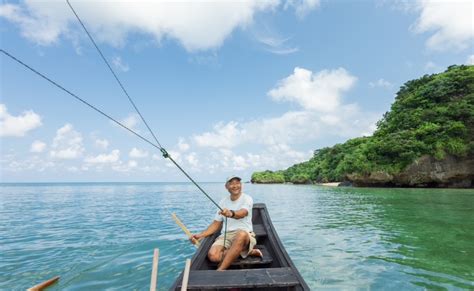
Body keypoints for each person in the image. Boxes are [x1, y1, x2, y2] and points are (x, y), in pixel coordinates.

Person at [191, 175, 262, 271]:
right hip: (226, 235)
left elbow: (243, 213)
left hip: (244, 234)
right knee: (213, 256)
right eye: (231, 183)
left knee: (241, 234)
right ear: (226, 186)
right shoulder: (223, 201)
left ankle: (220, 270)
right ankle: (247, 252)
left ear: (241, 185)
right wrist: (200, 235)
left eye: (237, 183)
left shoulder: (247, 198)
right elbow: (216, 224)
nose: (235, 185)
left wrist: (231, 213)